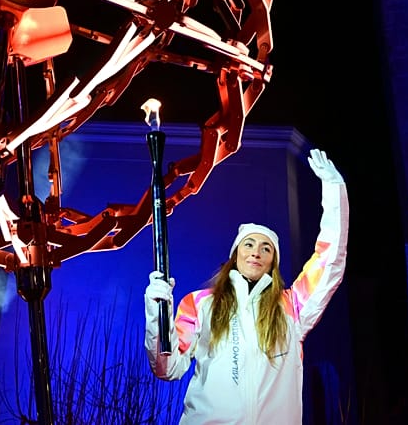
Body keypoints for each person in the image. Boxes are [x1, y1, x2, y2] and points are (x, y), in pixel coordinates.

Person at [144, 148, 349, 424]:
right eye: (249, 244)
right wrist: (157, 313)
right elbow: (166, 367)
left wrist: (335, 191)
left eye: (266, 248)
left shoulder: (293, 308)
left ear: (273, 262)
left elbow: (329, 261)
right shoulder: (200, 304)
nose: (256, 252)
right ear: (235, 255)